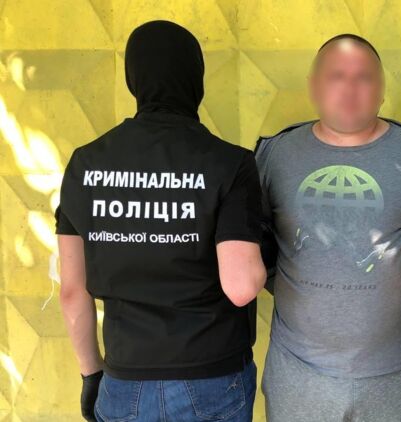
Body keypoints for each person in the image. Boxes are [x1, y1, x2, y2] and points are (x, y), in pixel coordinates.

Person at [56, 20, 266, 422]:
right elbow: (242, 287)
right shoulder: (230, 163)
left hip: (124, 378)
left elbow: (71, 291)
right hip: (211, 376)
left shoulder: (85, 164)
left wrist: (91, 374)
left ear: (133, 80)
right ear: (196, 80)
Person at [254, 33, 401, 422]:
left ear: (382, 89)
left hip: (395, 374)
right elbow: (253, 247)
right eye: (337, 76)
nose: (350, 89)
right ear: (313, 86)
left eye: (364, 78)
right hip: (297, 369)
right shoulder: (274, 154)